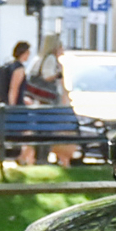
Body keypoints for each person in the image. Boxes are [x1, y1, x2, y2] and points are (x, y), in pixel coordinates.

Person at [27, 32, 75, 165]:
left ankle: (39, 158)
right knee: (48, 130)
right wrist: (59, 73)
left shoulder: (38, 59)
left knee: (40, 130)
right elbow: (48, 76)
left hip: (39, 101)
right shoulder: (51, 59)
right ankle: (44, 158)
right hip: (47, 101)